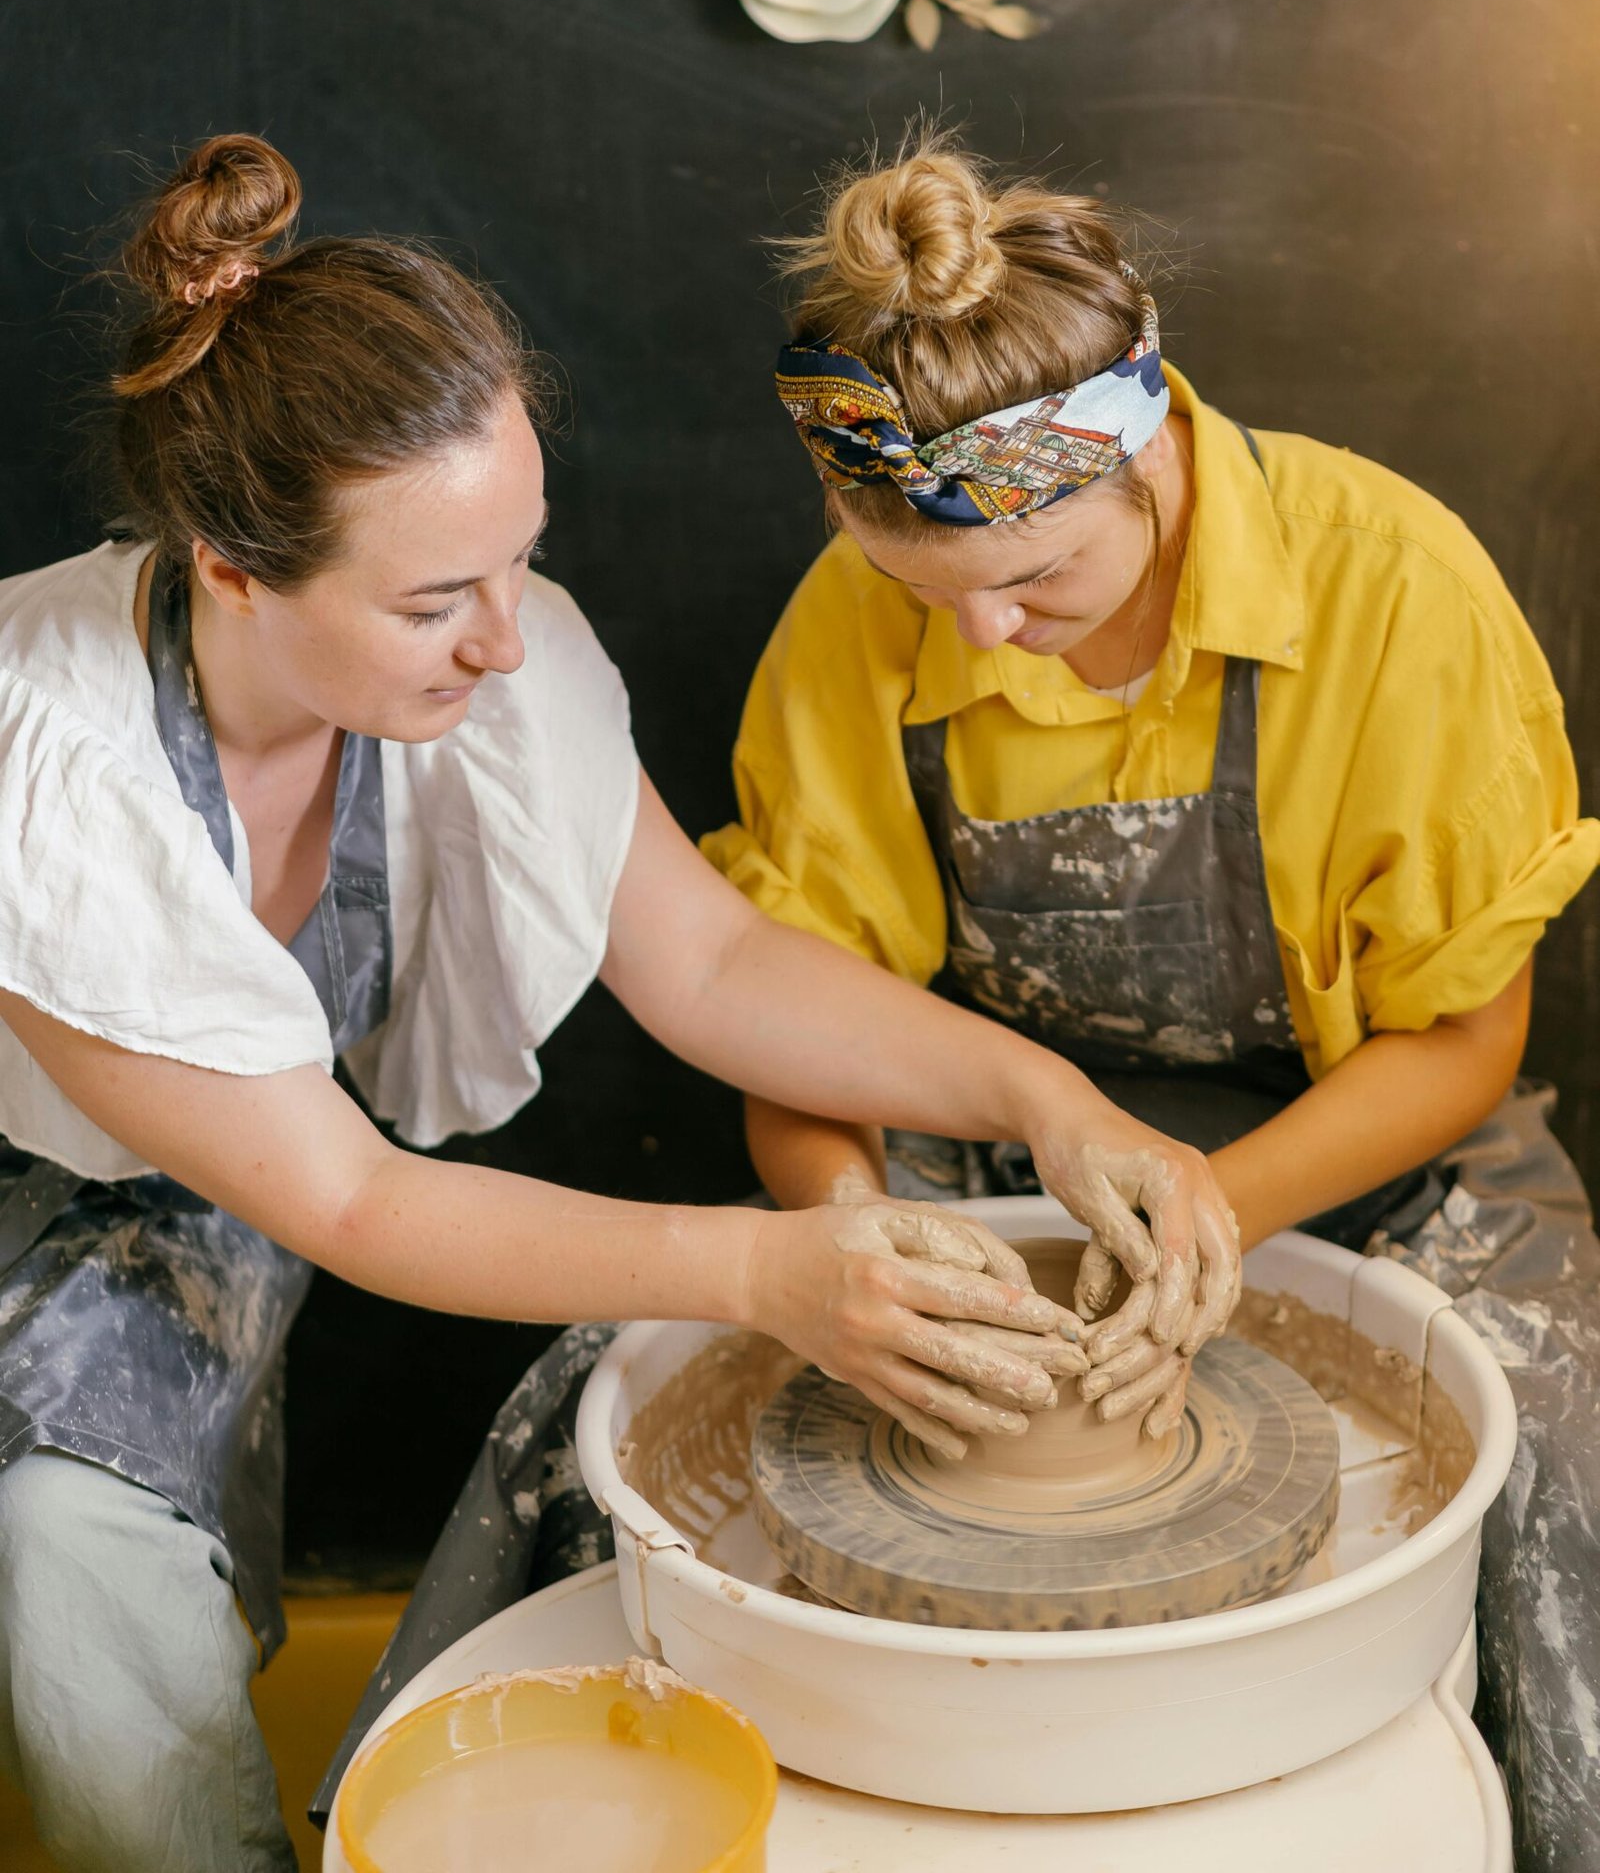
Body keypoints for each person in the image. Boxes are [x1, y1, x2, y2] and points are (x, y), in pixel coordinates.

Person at [0, 135, 1234, 1873]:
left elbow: (714, 967)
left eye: (521, 560)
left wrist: (1051, 1102)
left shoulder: (490, 663)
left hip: (228, 1182)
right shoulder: (51, 774)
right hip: (54, 1200)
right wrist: (766, 1273)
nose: (507, 641)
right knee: (72, 1547)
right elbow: (350, 1197)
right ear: (227, 566)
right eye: (438, 598)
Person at [703, 139, 1600, 1872]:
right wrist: (854, 1248)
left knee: (1560, 1467)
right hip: (984, 1154)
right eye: (923, 594)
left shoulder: (1393, 586)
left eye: (1040, 582)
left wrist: (1216, 1206)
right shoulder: (870, 616)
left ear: (1150, 462)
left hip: (1381, 1147)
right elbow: (786, 1022)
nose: (984, 632)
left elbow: (1475, 1037)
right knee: (612, 1426)